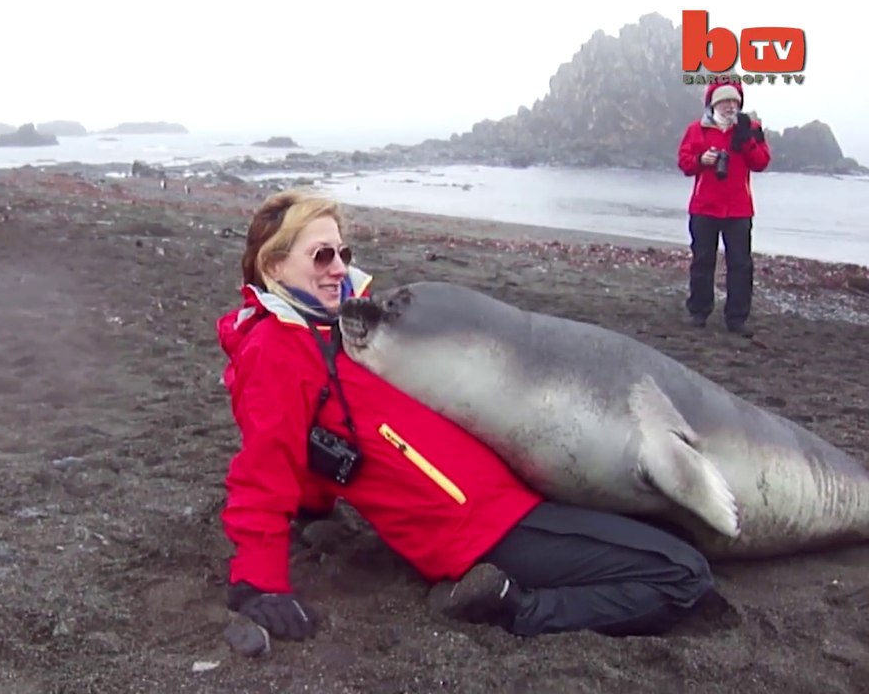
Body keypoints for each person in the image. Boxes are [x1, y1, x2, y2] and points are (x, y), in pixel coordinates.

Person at [215, 189, 716, 641]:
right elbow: (264, 468)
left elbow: (327, 435)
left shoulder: (338, 328)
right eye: (321, 255)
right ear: (274, 267)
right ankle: (513, 606)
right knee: (682, 576)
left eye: (343, 253)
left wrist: (315, 509)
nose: (339, 268)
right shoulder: (276, 350)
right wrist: (258, 584)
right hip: (478, 532)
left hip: (514, 497)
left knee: (672, 539)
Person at [677, 79, 771, 337]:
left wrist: (747, 141)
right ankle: (698, 312)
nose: (730, 105)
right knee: (702, 261)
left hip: (739, 209)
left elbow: (761, 162)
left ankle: (737, 319)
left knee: (740, 265)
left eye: (735, 101)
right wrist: (701, 160)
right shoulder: (697, 129)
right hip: (704, 207)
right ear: (713, 103)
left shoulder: (751, 128)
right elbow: (684, 164)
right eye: (725, 101)